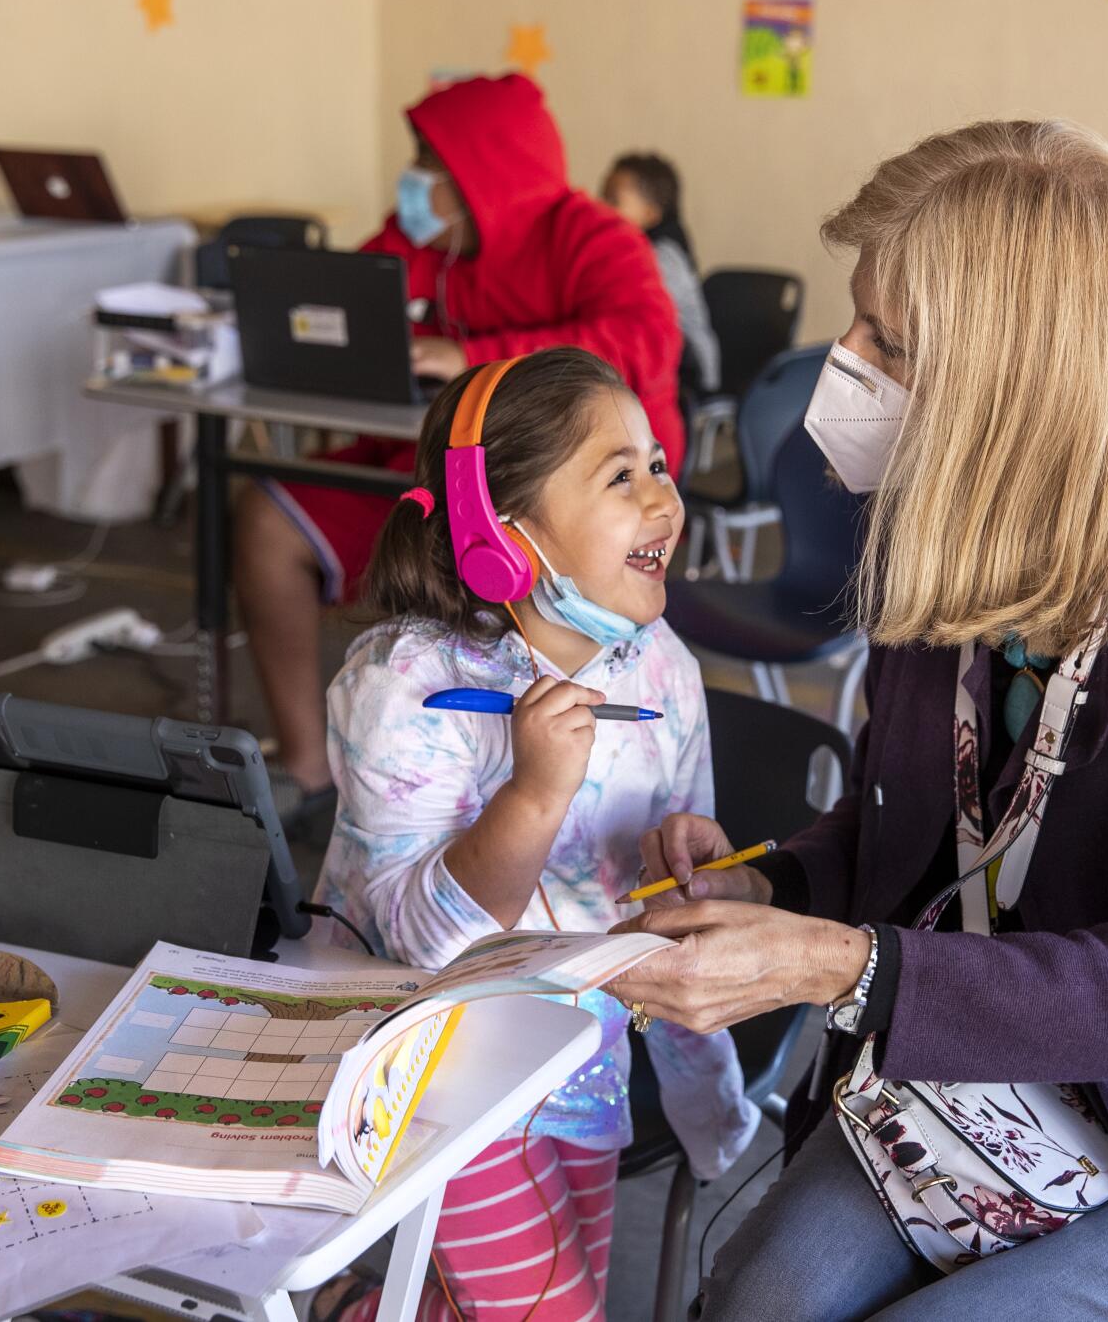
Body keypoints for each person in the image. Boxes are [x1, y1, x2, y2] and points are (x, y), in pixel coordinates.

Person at [605, 119, 1108, 1320]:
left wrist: (837, 963)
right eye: (855, 321)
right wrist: (773, 889)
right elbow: (921, 825)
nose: (840, 362)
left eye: (885, 341)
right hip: (989, 1078)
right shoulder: (943, 520)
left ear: (1012, 383)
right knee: (760, 1304)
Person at [310, 347, 755, 1322]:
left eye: (658, 465)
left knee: (548, 1299)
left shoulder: (663, 671)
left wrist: (694, 866)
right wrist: (530, 798)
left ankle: (346, 1308)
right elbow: (420, 945)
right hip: (428, 1062)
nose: (663, 498)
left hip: (578, 1056)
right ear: (497, 531)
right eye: (619, 474)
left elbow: (692, 901)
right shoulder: (407, 688)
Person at [236, 74, 684, 814]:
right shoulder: (424, 241)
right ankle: (312, 764)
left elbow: (644, 339)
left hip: (562, 493)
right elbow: (344, 297)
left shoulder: (593, 236)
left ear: (484, 175)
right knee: (263, 519)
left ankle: (506, 793)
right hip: (424, 464)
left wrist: (476, 357)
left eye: (428, 166)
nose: (414, 184)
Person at [603, 152, 721, 395]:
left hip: (689, 371)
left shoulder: (663, 257)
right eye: (603, 196)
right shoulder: (621, 250)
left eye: (614, 201)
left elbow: (636, 316)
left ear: (651, 214)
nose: (601, 208)